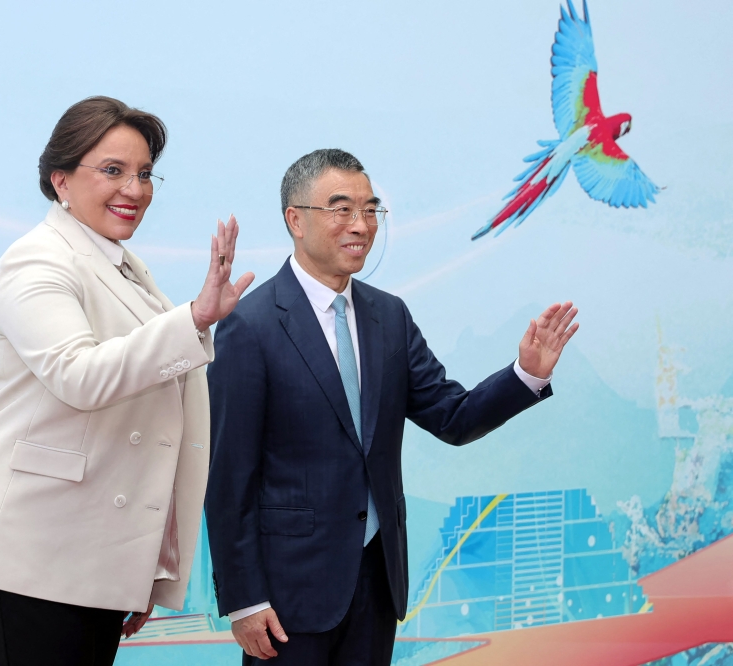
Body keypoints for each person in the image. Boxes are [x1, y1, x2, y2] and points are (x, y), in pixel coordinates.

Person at [204, 148, 579, 666]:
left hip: (377, 582)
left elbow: (453, 417)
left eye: (371, 210)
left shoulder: (389, 316)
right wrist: (244, 597)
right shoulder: (252, 325)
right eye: (341, 209)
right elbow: (228, 477)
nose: (361, 224)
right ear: (296, 220)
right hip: (288, 595)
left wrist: (526, 375)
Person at [0, 96, 254, 666]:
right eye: (113, 171)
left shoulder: (115, 261)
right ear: (60, 181)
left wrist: (140, 568)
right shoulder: (36, 261)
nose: (135, 189)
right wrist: (194, 318)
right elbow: (80, 376)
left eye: (145, 174)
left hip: (86, 557)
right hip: (25, 555)